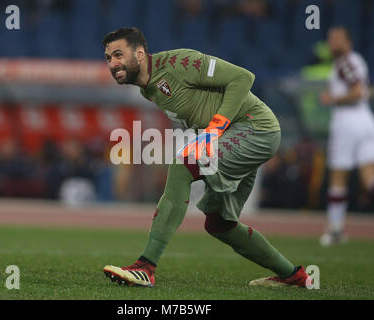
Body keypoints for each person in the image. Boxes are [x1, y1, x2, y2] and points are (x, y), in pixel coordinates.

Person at [101, 27, 311, 288]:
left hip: (255, 128)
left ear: (141, 53)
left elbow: (243, 78)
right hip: (236, 135)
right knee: (219, 224)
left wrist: (214, 129)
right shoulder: (148, 89)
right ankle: (294, 276)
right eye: (109, 58)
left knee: (183, 164)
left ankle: (146, 267)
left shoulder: (180, 63)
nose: (113, 63)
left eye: (118, 54)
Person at [319, 27, 374, 246]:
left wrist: (333, 99)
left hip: (348, 122)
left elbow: (358, 91)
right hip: (367, 121)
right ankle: (336, 230)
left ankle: (335, 230)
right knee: (370, 178)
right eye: (331, 39)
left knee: (338, 178)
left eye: (337, 39)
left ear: (348, 42)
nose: (332, 43)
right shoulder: (356, 60)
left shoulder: (345, 62)